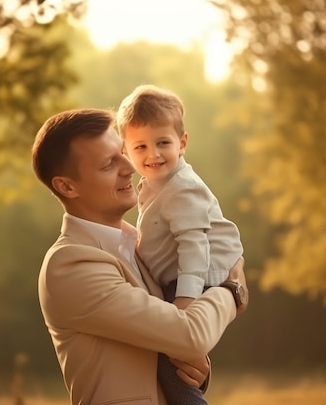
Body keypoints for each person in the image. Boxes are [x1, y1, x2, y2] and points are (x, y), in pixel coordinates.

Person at [31, 108, 248, 405]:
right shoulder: (69, 266)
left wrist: (192, 372)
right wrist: (232, 289)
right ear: (67, 186)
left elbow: (172, 343)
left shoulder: (142, 245)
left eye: (123, 151)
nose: (130, 167)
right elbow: (191, 333)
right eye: (109, 164)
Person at [117, 84, 245, 405]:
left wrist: (185, 304)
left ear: (182, 143)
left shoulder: (183, 188)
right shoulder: (154, 185)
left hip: (194, 280)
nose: (153, 154)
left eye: (163, 143)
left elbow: (194, 248)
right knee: (170, 359)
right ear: (126, 151)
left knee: (169, 360)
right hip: (178, 280)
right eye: (140, 147)